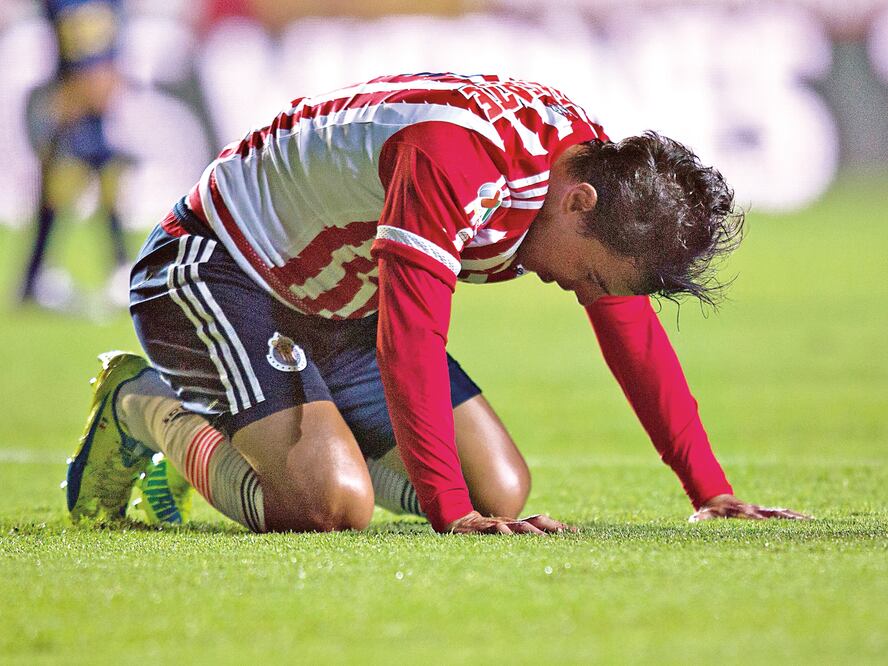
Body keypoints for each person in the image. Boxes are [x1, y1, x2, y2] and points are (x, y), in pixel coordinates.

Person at [65, 72, 810, 534]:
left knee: (503, 491)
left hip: (338, 302)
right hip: (220, 271)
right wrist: (450, 515)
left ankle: (267, 428)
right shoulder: (455, 156)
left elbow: (629, 330)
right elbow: (410, 336)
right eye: (593, 277)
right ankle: (145, 400)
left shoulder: (586, 176)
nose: (585, 292)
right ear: (579, 203)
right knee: (330, 505)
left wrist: (708, 490)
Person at [19, 0, 130, 310]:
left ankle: (37, 278)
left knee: (103, 179)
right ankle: (35, 278)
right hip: (71, 100)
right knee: (62, 183)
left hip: (90, 102)